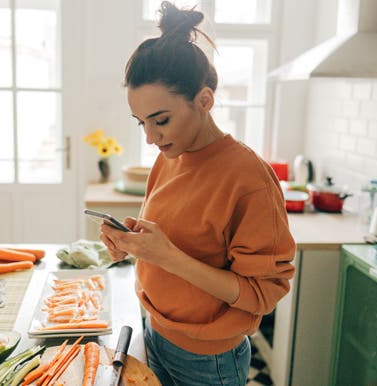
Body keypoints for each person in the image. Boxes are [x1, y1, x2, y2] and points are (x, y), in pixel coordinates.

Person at [99, 2, 296, 385]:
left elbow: (263, 294)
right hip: (155, 333)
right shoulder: (171, 155)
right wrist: (132, 245)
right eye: (142, 123)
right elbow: (179, 237)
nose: (151, 137)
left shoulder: (248, 179)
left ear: (204, 100)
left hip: (209, 362)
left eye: (161, 120)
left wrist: (167, 256)